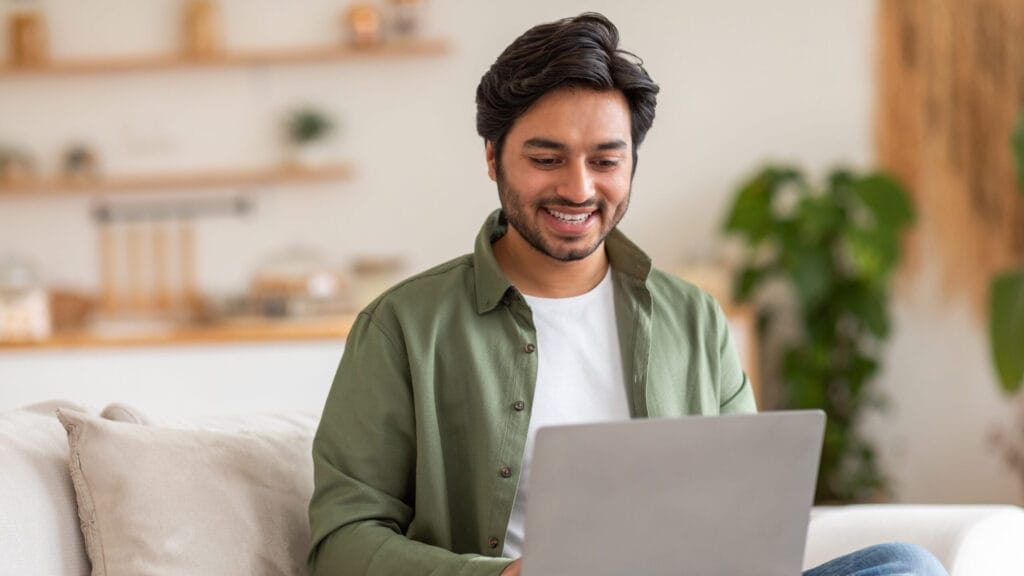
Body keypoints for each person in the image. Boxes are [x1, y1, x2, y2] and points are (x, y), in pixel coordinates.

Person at [308, 12, 949, 576]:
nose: (579, 189)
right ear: (493, 156)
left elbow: (751, 515)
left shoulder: (694, 318)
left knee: (907, 568)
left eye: (605, 160)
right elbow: (342, 542)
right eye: (547, 158)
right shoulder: (403, 327)